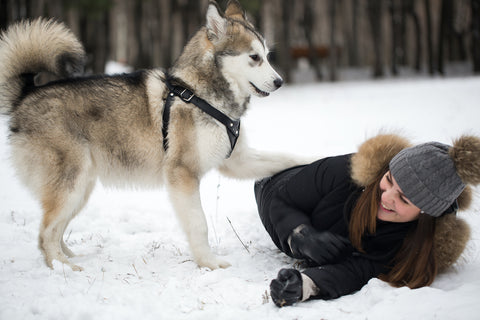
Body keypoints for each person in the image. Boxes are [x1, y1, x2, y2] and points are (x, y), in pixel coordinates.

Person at [254, 133, 480, 307]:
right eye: (390, 180)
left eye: (404, 198)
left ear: (425, 214)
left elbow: (359, 270)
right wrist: (300, 235)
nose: (387, 197)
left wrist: (306, 285)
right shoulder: (345, 173)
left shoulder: (412, 241)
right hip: (276, 184)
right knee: (286, 178)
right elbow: (283, 201)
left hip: (310, 184)